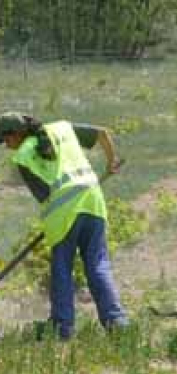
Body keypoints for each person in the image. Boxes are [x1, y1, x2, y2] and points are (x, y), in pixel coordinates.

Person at [0, 112, 128, 340]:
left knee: (62, 269)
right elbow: (101, 133)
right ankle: (116, 322)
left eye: (6, 140)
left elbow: (45, 194)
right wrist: (111, 163)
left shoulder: (23, 156)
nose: (6, 146)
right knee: (98, 264)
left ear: (17, 134)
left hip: (62, 214)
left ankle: (62, 327)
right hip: (92, 200)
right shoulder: (62, 127)